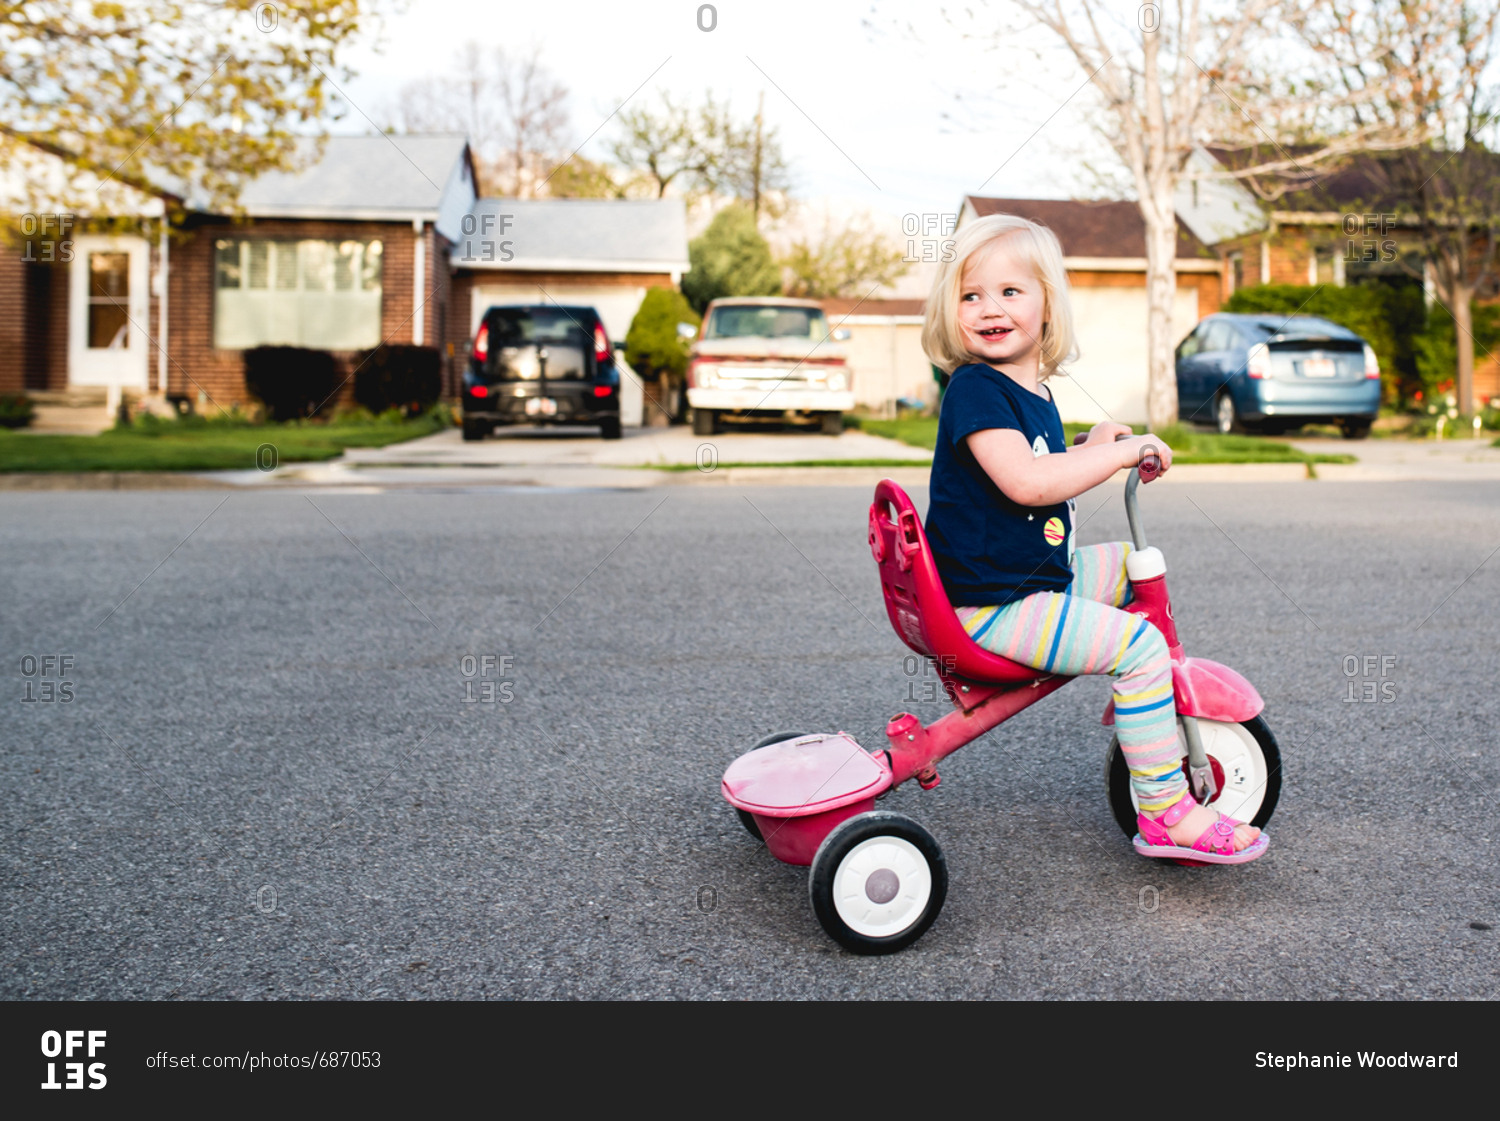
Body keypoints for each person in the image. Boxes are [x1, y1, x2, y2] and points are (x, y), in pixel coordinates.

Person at [920, 213, 1267, 863]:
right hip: (992, 607)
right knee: (1138, 646)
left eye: (1009, 291)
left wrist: (1093, 445)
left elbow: (1045, 464)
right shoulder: (975, 390)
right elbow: (1025, 481)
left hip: (1019, 579)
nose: (989, 308)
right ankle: (1166, 810)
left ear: (1048, 302)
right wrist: (1123, 452)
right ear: (951, 309)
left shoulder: (1028, 390)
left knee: (1124, 564)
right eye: (971, 295)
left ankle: (1148, 711)